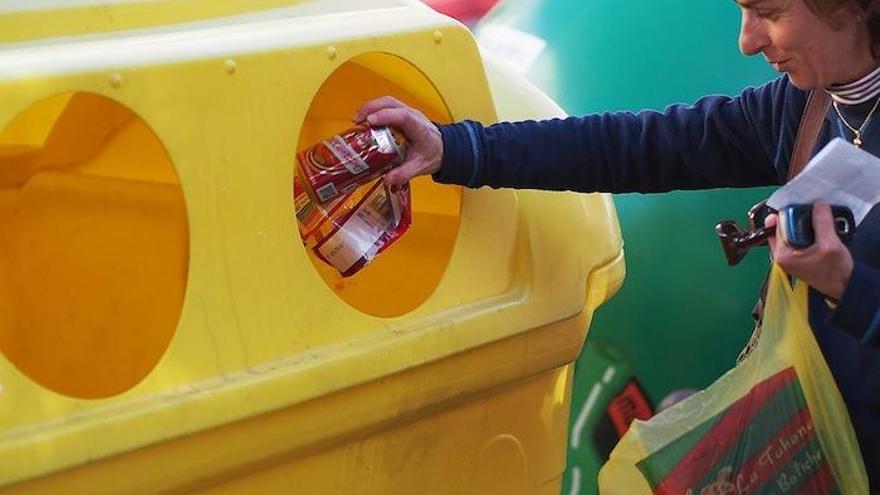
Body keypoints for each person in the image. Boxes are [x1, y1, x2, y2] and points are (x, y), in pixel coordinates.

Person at [354, 0, 880, 486]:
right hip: (810, 447)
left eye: (768, 11)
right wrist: (456, 147)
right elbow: (638, 146)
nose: (747, 41)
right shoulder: (805, 108)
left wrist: (847, 286)